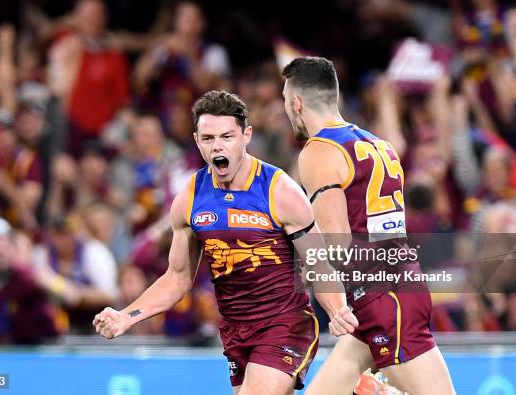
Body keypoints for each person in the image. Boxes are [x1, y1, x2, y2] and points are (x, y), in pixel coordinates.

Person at [93, 90, 358, 394]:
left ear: (246, 135)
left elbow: (318, 264)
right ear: (196, 140)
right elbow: (177, 279)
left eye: (227, 137)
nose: (217, 146)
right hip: (235, 331)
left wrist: (338, 310)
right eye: (208, 139)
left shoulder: (280, 191)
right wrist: (127, 316)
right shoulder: (190, 198)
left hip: (285, 324)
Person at [281, 57, 455, 395]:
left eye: (287, 102)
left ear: (297, 103)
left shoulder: (317, 152)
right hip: (392, 289)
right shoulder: (380, 145)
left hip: (381, 299)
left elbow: (336, 245)